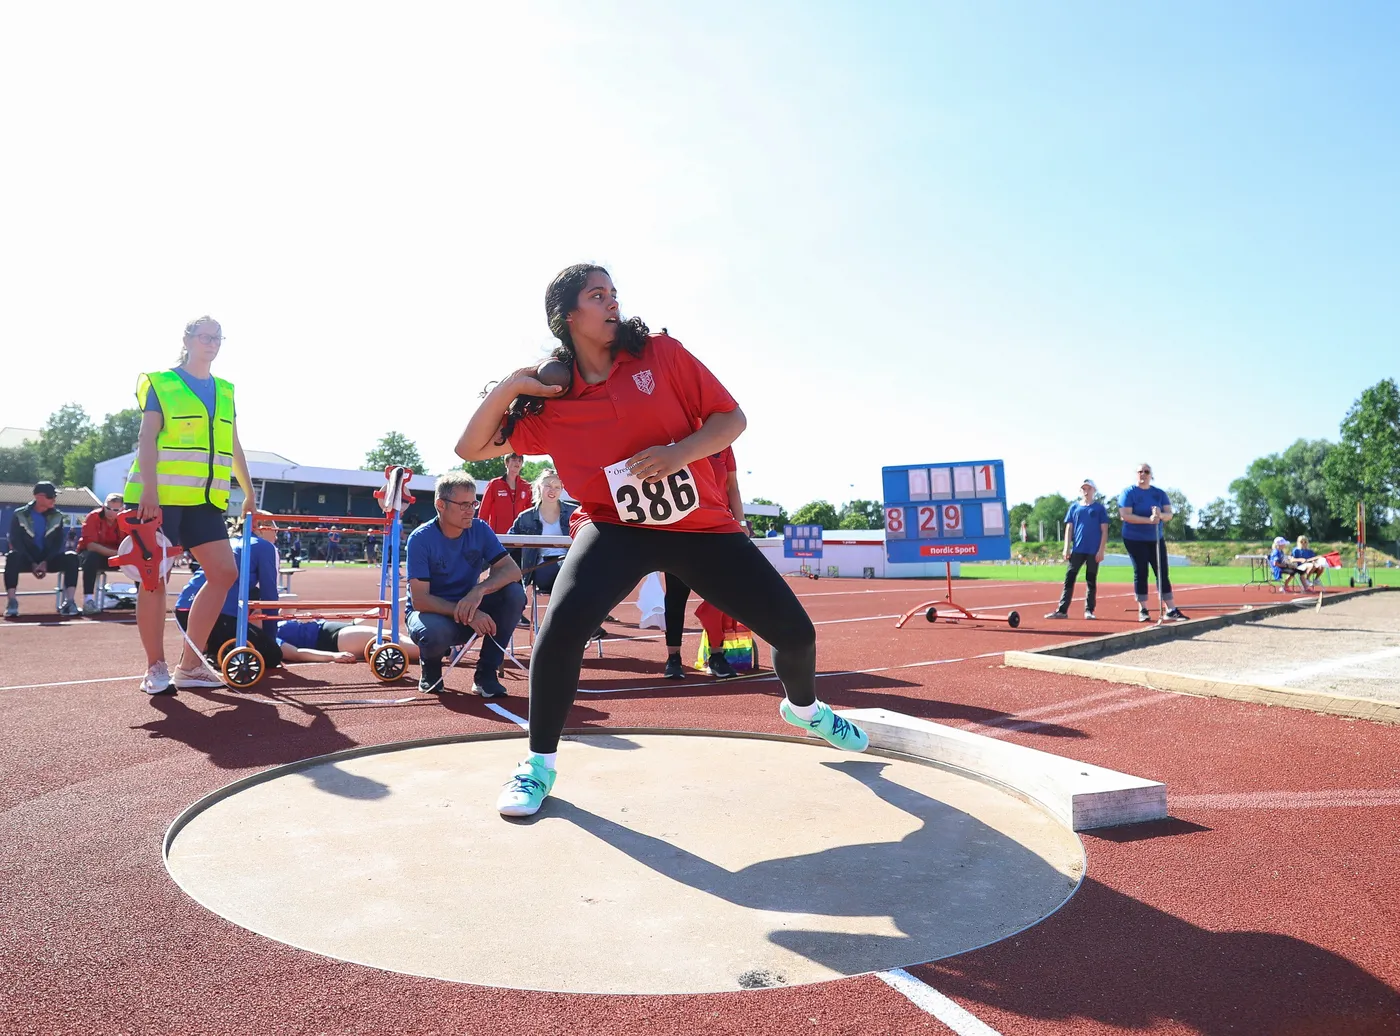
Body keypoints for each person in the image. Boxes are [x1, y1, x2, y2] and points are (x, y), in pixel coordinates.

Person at [456, 263, 867, 818]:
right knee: (558, 634)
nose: (611, 303)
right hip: (614, 529)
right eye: (596, 296)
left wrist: (679, 454)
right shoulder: (552, 398)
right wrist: (511, 384)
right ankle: (537, 766)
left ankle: (805, 708)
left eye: (613, 293)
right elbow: (470, 448)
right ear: (567, 316)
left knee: (796, 635)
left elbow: (732, 417)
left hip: (700, 530)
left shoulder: (659, 354)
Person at [126, 315, 257, 694]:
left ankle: (190, 665)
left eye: (217, 337)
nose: (211, 343)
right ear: (187, 339)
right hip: (159, 499)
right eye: (204, 336)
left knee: (224, 573)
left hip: (204, 500)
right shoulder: (162, 383)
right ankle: (155, 667)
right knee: (154, 580)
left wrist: (249, 493)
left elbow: (233, 445)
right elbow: (147, 437)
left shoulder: (226, 390)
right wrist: (148, 491)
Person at [405, 472, 527, 699]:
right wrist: (470, 614)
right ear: (440, 505)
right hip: (433, 614)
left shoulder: (479, 529)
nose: (471, 510)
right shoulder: (420, 539)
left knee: (514, 594)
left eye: (473, 503)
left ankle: (486, 674)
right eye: (463, 505)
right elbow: (421, 599)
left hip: (470, 606)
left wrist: (478, 591)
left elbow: (512, 571)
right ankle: (430, 666)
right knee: (434, 633)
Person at [663, 445, 748, 678]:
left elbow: (732, 487)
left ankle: (717, 656)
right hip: (679, 529)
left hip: (716, 530)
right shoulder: (679, 439)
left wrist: (740, 523)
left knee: (720, 596)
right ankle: (673, 659)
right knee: (676, 597)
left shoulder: (725, 446)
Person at [174, 515, 282, 671]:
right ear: (261, 527)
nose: (276, 537)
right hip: (215, 615)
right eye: (275, 531)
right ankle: (214, 653)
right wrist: (270, 639)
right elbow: (270, 597)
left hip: (183, 608)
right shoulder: (264, 546)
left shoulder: (226, 543)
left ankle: (208, 650)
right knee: (272, 655)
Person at [1118, 463, 1187, 622]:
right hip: (1134, 538)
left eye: (1146, 472)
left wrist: (1160, 515)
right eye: (1140, 472)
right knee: (1141, 571)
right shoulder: (1128, 493)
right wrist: (1148, 520)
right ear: (1136, 475)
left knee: (1162, 571)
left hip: (1155, 538)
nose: (1143, 474)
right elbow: (1125, 515)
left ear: (1151, 475)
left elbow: (1169, 514)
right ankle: (1143, 608)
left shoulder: (1159, 493)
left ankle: (1171, 608)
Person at [4, 481, 81, 618]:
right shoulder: (20, 514)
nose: (54, 500)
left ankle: (69, 601)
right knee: (12, 556)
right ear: (39, 497)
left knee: (71, 557)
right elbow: (16, 542)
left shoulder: (57, 515)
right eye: (51, 496)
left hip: (48, 559)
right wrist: (33, 562)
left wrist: (45, 561)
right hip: (27, 559)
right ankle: (12, 602)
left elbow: (58, 543)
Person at [1045, 479, 1109, 620]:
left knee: (1091, 580)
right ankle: (1062, 610)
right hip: (1078, 549)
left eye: (1089, 489)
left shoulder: (1099, 509)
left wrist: (1101, 550)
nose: (1086, 492)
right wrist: (1066, 547)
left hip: (1093, 550)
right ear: (1080, 491)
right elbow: (1069, 528)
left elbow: (1104, 530)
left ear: (1094, 491)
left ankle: (1089, 610)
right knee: (1069, 578)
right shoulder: (1074, 507)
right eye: (1084, 489)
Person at [274, 618, 421, 664]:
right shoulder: (270, 636)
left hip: (338, 627)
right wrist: (332, 656)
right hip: (335, 639)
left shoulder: (272, 620)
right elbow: (296, 654)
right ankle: (437, 647)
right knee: (391, 637)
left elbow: (290, 599)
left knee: (394, 607)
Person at [76, 492, 127, 615]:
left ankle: (144, 601)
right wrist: (116, 553)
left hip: (117, 557)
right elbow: (90, 545)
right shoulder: (93, 517)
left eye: (115, 510)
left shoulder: (126, 520)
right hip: (92, 555)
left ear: (122, 509)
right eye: (108, 508)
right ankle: (88, 601)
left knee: (139, 560)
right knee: (91, 557)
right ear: (103, 506)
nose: (110, 512)